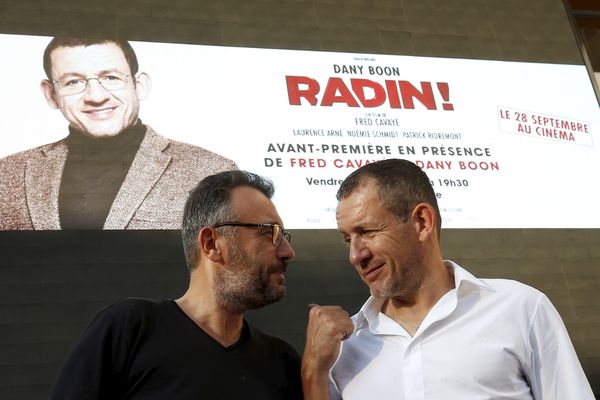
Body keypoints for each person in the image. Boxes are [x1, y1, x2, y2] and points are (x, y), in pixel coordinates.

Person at [301, 159, 594, 400]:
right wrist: (313, 373)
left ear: (422, 222)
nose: (355, 255)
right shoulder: (344, 348)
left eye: (368, 232)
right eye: (346, 239)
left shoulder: (521, 309)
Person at [50, 170, 302, 399]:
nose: (287, 251)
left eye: (284, 236)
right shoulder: (130, 329)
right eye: (270, 232)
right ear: (212, 244)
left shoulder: (282, 360)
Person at [0, 37, 237, 230]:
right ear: (51, 94)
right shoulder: (7, 172)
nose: (95, 96)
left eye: (110, 78)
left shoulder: (210, 171)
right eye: (73, 82)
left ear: (139, 85)